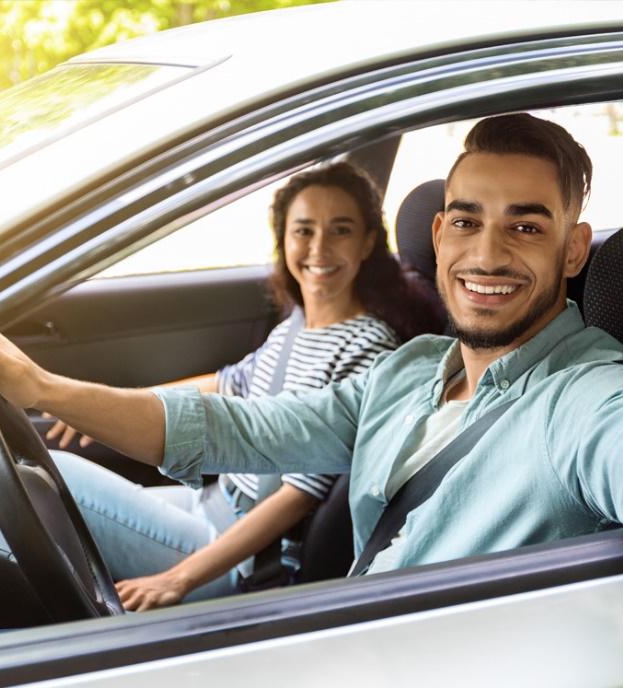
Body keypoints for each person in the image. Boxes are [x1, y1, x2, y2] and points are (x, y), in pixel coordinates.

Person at [0, 113, 623, 581]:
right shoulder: (409, 371)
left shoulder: (590, 397)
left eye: (526, 227)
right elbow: (233, 428)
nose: (488, 254)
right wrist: (42, 386)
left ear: (574, 252)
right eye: (467, 220)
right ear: (438, 234)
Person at [39, 162, 442, 610]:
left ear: (368, 241)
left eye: (340, 230)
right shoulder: (299, 323)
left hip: (248, 557)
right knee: (46, 480)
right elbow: (232, 382)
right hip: (211, 504)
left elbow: (298, 496)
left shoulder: (368, 350)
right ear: (284, 239)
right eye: (303, 230)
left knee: (55, 481)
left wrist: (176, 580)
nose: (319, 248)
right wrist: (109, 408)